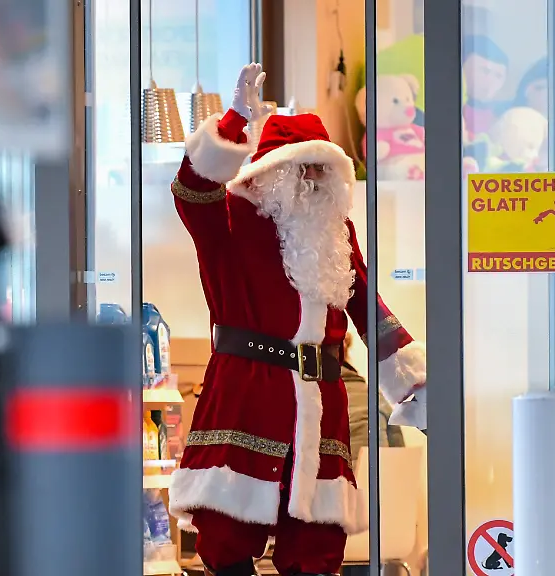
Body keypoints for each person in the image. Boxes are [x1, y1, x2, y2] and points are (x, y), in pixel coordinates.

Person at [167, 63, 427, 576]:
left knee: (316, 541)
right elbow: (191, 189)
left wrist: (415, 383)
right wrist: (233, 123)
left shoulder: (336, 233)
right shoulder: (231, 220)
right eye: (301, 167)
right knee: (228, 531)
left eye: (321, 169)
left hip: (322, 397)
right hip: (248, 389)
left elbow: (366, 306)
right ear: (270, 170)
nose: (311, 180)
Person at [340, 333, 404, 461]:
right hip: (377, 477)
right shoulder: (376, 397)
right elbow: (400, 457)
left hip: (335, 479)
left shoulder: (311, 401)